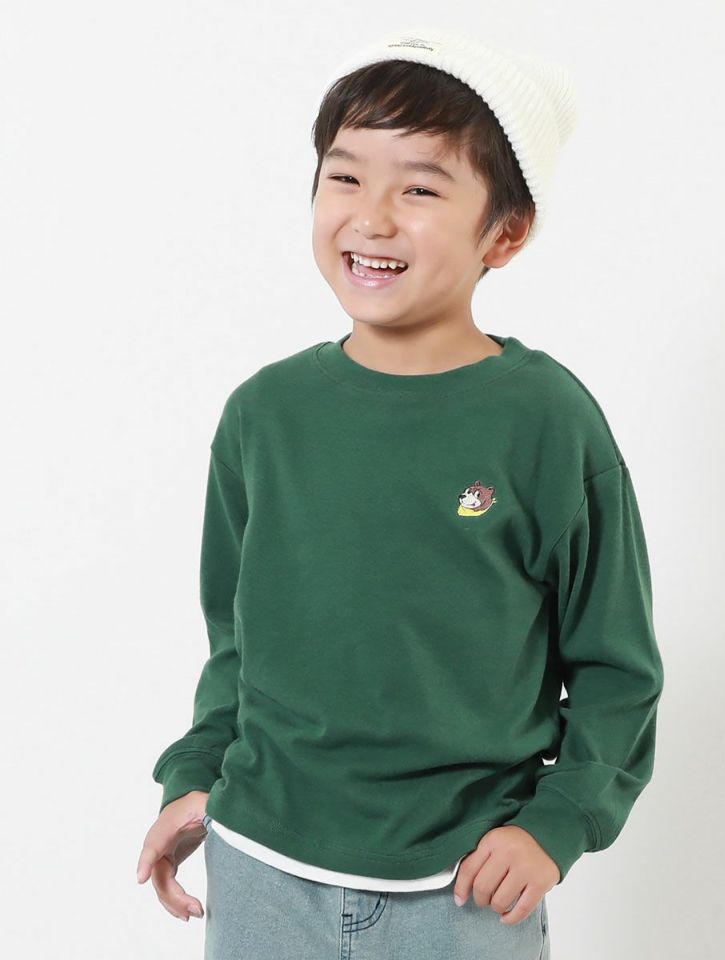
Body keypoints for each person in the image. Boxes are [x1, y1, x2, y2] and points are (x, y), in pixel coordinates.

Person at [136, 26, 664, 960]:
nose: (372, 217)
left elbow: (616, 666)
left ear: (506, 231)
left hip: (463, 887)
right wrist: (195, 775)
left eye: (419, 188)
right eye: (344, 177)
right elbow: (237, 642)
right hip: (260, 865)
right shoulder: (265, 414)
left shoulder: (546, 421)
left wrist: (558, 824)